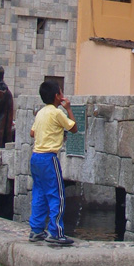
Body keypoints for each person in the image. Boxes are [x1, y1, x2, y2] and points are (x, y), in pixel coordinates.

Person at [29, 80, 77, 244]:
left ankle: (36, 230)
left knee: (39, 194)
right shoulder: (57, 113)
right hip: (49, 158)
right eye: (61, 93)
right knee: (56, 194)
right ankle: (56, 232)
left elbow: (32, 132)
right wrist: (68, 108)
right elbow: (73, 128)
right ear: (57, 96)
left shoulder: (41, 112)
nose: (63, 96)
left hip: (35, 157)